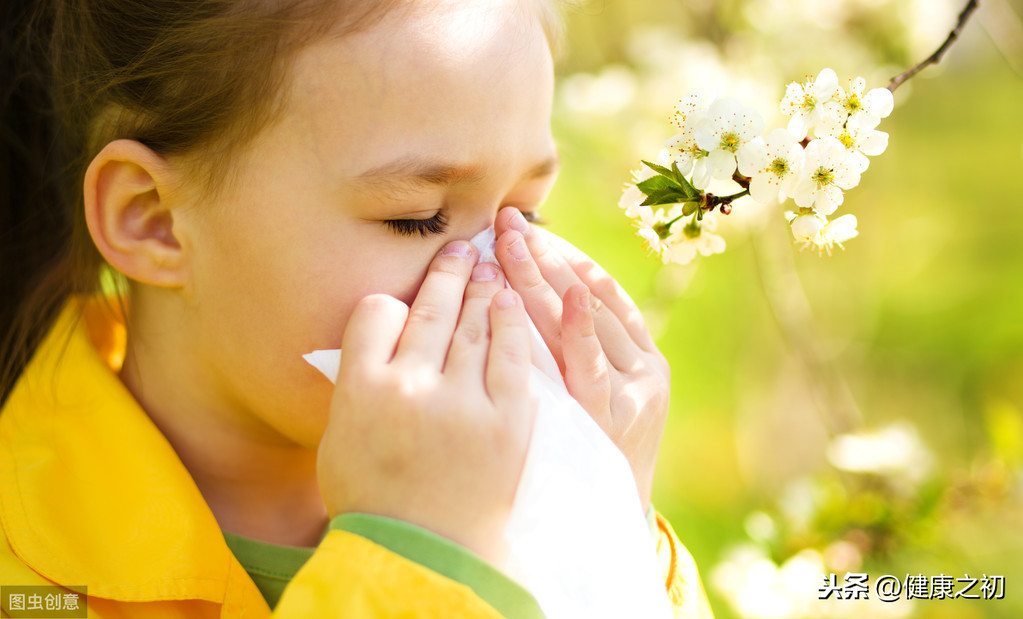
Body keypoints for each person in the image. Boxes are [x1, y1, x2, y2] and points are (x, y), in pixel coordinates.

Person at [0, 0, 714, 616]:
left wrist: (601, 523)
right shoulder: (26, 576)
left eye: (524, 213)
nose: (493, 279)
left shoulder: (525, 488)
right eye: (416, 218)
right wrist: (412, 556)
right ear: (154, 220)